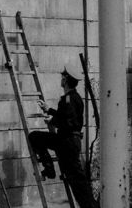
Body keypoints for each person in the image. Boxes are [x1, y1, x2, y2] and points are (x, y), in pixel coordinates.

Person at [29, 67, 95, 208]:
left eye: (62, 77)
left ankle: (49, 168)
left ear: (65, 80)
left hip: (67, 142)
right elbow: (66, 117)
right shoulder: (73, 98)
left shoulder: (69, 99)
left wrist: (52, 120)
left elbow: (67, 122)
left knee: (77, 181)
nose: (61, 79)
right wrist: (50, 111)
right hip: (68, 141)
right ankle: (49, 168)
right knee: (76, 180)